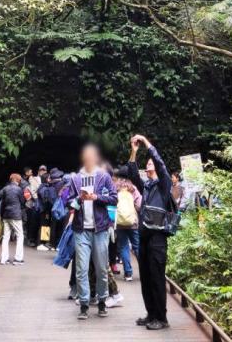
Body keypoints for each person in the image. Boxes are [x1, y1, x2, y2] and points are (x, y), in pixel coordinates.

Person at [126, 134, 173, 330]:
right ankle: (151, 313)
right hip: (144, 235)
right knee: (145, 277)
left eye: (151, 162)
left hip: (158, 237)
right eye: (148, 162)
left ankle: (161, 318)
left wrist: (146, 143)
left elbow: (161, 166)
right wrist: (134, 152)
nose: (149, 164)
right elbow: (132, 173)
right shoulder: (146, 186)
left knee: (156, 277)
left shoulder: (164, 185)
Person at [67, 143, 117, 320]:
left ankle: (102, 301)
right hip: (81, 230)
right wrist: (78, 200)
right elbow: (68, 202)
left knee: (101, 268)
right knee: (81, 269)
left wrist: (97, 197)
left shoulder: (103, 177)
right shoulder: (75, 179)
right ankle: (84, 304)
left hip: (100, 230)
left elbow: (114, 198)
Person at [0, 173, 27, 265]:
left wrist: (3, 202)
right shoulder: (19, 189)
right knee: (20, 236)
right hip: (16, 216)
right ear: (18, 181)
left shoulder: (5, 188)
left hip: (6, 215)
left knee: (5, 237)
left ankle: (4, 259)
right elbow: (23, 202)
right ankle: (18, 259)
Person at [114, 172, 141, 280]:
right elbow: (139, 204)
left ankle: (128, 274)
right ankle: (144, 271)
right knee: (137, 246)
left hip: (120, 223)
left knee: (124, 247)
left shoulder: (116, 188)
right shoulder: (132, 188)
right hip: (132, 223)